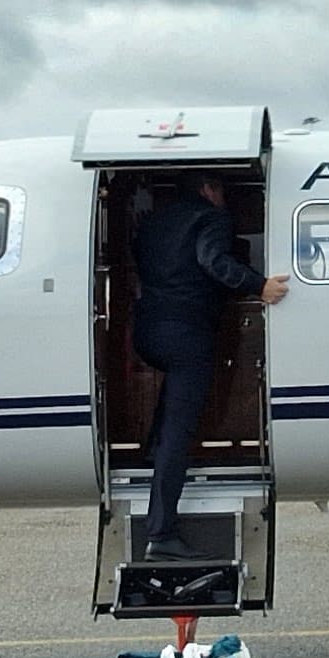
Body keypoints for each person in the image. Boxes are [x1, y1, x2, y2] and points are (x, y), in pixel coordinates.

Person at [131, 174, 288, 559]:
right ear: (208, 190)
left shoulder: (154, 223)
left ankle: (153, 450)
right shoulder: (211, 218)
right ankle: (162, 532)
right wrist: (258, 285)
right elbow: (213, 261)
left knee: (172, 409)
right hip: (186, 335)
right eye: (221, 191)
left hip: (148, 333)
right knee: (178, 434)